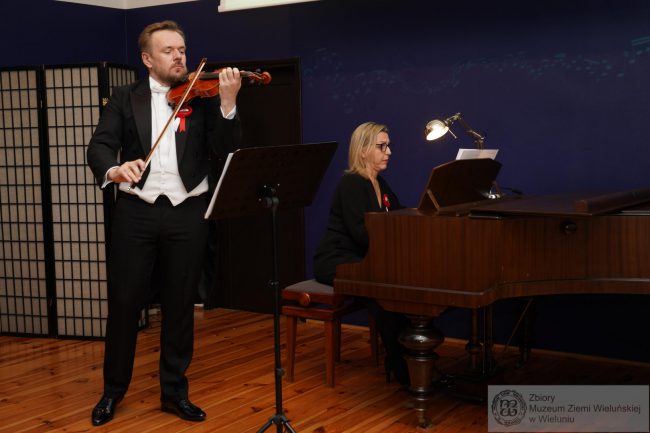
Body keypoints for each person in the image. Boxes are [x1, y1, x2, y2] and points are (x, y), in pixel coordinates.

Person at [86, 20, 242, 426]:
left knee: (180, 304)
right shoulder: (125, 97)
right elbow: (100, 145)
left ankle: (174, 393)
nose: (178, 57)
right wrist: (115, 169)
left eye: (182, 50)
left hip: (187, 211)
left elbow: (226, 150)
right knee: (124, 304)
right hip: (135, 212)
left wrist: (227, 103)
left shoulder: (202, 96)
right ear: (147, 58)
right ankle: (112, 392)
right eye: (169, 50)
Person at [313, 121, 410, 385]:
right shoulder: (352, 184)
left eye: (388, 146)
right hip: (336, 259)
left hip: (362, 258)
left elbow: (399, 216)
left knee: (396, 285)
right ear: (363, 150)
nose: (389, 152)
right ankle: (402, 364)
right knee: (382, 289)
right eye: (381, 146)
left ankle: (408, 359)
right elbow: (362, 234)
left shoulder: (380, 182)